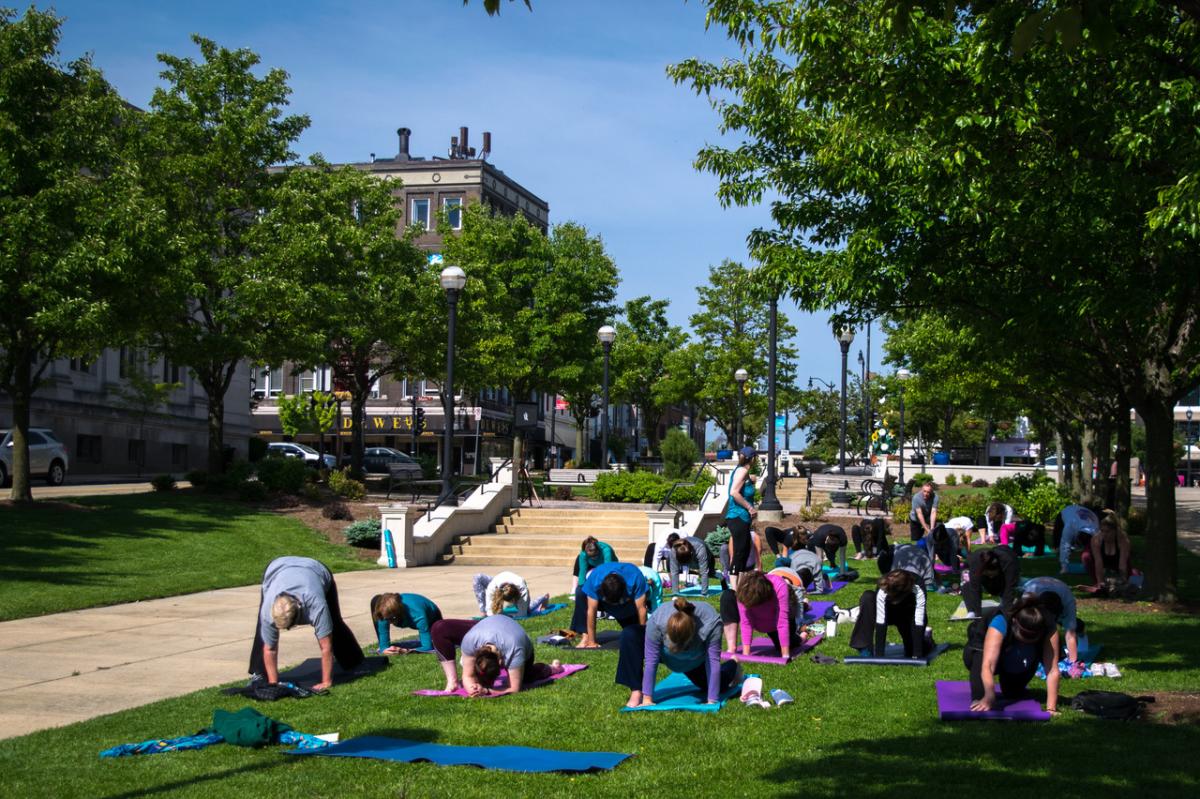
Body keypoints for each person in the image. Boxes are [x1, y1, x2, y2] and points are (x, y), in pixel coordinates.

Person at [248, 556, 363, 691]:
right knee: (263, 631)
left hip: (316, 569)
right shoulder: (269, 608)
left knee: (334, 623)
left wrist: (326, 682)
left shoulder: (315, 604)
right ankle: (260, 674)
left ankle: (354, 662)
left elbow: (326, 647)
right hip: (277, 568)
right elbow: (270, 649)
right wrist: (274, 685)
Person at [962, 596, 1060, 714]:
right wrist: (989, 696)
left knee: (1013, 694)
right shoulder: (1001, 620)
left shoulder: (1049, 627)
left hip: (1016, 654)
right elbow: (988, 665)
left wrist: (1051, 708)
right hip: (980, 653)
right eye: (1024, 635)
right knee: (982, 698)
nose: (1027, 640)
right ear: (1014, 621)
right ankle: (980, 695)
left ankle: (1011, 681)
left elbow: (1052, 669)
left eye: (1032, 637)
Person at [638, 597, 742, 708]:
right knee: (633, 638)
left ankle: (733, 663)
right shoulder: (656, 622)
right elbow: (651, 661)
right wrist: (647, 699)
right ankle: (635, 694)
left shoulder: (710, 623)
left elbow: (712, 662)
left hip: (695, 660)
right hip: (666, 656)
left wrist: (712, 700)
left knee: (719, 684)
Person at [571, 562, 650, 700]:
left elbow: (642, 609)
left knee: (631, 634)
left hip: (628, 605)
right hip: (607, 599)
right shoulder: (596, 579)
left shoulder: (634, 577)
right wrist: (592, 640)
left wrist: (642, 634)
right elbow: (591, 610)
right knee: (580, 592)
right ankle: (585, 636)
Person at [429, 615, 562, 696]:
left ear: (501, 663)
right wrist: (473, 689)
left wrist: (487, 691)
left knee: (527, 678)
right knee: (480, 679)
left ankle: (553, 668)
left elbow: (514, 689)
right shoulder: (469, 642)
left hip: (521, 644)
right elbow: (468, 675)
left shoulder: (514, 649)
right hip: (492, 630)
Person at [848, 569, 930, 659]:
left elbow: (918, 620)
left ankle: (926, 640)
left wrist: (917, 654)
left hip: (907, 614)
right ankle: (864, 647)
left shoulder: (918, 587)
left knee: (912, 650)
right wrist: (879, 656)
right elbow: (881, 621)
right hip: (887, 611)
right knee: (868, 597)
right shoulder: (885, 584)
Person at [720, 570, 801, 659]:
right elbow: (746, 623)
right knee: (727, 596)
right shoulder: (743, 591)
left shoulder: (780, 586)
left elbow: (782, 622)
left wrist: (785, 656)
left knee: (791, 644)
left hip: (777, 622)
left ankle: (802, 636)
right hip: (761, 622)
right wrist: (746, 655)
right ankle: (731, 647)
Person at [1022, 576, 1085, 668]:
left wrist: (1073, 663)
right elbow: (1022, 628)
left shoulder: (1068, 602)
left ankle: (1082, 630)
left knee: (1073, 625)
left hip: (1060, 592)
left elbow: (1070, 635)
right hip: (1034, 587)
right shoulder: (1028, 596)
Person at [724, 446, 759, 587]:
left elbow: (741, 483)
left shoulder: (742, 471)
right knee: (739, 553)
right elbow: (734, 492)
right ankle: (734, 589)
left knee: (744, 552)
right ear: (753, 458)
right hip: (737, 517)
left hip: (741, 518)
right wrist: (750, 507)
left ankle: (740, 585)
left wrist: (751, 479)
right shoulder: (743, 471)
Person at [369, 592, 443, 654]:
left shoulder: (418, 614)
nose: (388, 622)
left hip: (433, 617)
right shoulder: (383, 613)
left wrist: (404, 651)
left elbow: (427, 647)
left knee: (438, 641)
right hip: (402, 614)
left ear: (397, 614)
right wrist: (385, 649)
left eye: (390, 619)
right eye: (386, 619)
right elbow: (383, 647)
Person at [962, 545, 1021, 616]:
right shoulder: (975, 563)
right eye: (987, 574)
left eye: (992, 574)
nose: (990, 576)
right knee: (967, 582)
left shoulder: (1008, 563)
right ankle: (972, 611)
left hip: (1008, 555)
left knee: (1008, 589)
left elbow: (1009, 588)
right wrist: (976, 612)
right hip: (975, 566)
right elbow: (975, 588)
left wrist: (1007, 610)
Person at [1083, 511, 1135, 589]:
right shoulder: (1096, 539)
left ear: (1115, 531)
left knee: (1129, 579)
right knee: (1086, 556)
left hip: (1118, 561)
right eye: (1102, 531)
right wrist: (1100, 582)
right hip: (1103, 561)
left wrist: (1122, 581)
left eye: (1107, 532)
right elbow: (1098, 562)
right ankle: (1096, 583)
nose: (1104, 534)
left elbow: (1123, 564)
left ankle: (1134, 574)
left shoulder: (1123, 540)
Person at [472, 571, 548, 618]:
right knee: (477, 578)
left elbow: (522, 615)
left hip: (516, 586)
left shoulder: (522, 589)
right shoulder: (492, 588)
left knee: (527, 611)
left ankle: (543, 597)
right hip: (498, 581)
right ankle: (482, 612)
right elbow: (490, 613)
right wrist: (489, 612)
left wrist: (509, 616)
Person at [1053, 504, 1099, 574]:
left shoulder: (1096, 530)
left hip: (1085, 513)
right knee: (1058, 540)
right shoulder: (1070, 527)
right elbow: (1064, 545)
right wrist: (1064, 567)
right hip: (1067, 512)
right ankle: (1058, 554)